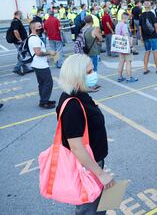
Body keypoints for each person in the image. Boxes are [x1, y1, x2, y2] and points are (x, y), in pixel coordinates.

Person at [56, 54, 114, 214]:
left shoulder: (80, 94)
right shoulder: (72, 106)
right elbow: (76, 146)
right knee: (90, 208)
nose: (94, 74)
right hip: (86, 167)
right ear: (77, 76)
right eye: (89, 72)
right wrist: (100, 173)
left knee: (99, 205)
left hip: (92, 162)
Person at [28, 20, 56, 109]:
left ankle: (44, 99)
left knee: (42, 83)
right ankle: (44, 102)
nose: (41, 28)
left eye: (41, 26)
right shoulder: (34, 39)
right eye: (39, 27)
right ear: (33, 28)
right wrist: (49, 53)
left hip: (38, 64)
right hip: (40, 65)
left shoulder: (34, 37)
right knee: (48, 83)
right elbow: (38, 53)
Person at [139, 1, 157, 74]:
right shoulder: (152, 14)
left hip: (145, 36)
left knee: (147, 52)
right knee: (155, 51)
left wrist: (141, 37)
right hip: (153, 35)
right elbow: (155, 25)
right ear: (150, 6)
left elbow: (140, 27)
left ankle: (145, 69)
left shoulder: (141, 16)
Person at [115, 12, 138, 83]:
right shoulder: (124, 25)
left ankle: (120, 76)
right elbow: (126, 36)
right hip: (126, 46)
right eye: (128, 19)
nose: (128, 20)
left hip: (119, 46)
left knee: (121, 61)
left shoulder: (117, 25)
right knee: (128, 62)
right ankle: (129, 77)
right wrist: (131, 46)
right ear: (125, 18)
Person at [10, 11, 31, 75]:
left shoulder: (15, 21)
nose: (22, 16)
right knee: (24, 55)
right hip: (20, 42)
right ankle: (17, 68)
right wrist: (20, 40)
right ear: (18, 14)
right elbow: (15, 31)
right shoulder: (16, 21)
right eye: (21, 14)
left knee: (21, 55)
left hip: (19, 41)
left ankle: (25, 69)